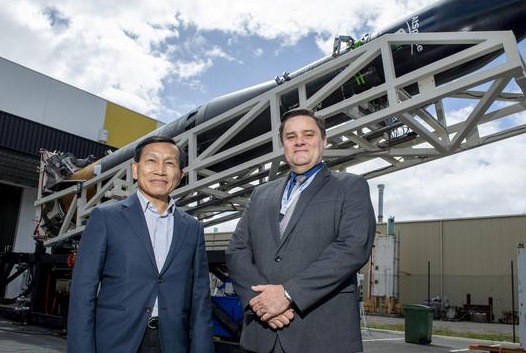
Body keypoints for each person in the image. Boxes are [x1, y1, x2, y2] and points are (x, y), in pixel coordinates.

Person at [226, 108, 376, 352]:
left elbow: (352, 247)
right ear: (283, 143)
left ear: (323, 140)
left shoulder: (351, 186)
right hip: (261, 336)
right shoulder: (261, 193)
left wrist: (287, 295)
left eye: (308, 134)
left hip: (321, 338)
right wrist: (262, 304)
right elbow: (237, 250)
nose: (299, 142)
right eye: (291, 136)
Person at [68, 136, 214, 353]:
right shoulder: (106, 218)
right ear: (135, 170)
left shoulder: (192, 228)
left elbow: (200, 297)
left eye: (170, 163)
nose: (160, 170)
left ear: (180, 175)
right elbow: (83, 292)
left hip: (172, 343)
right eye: (151, 161)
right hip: (116, 341)